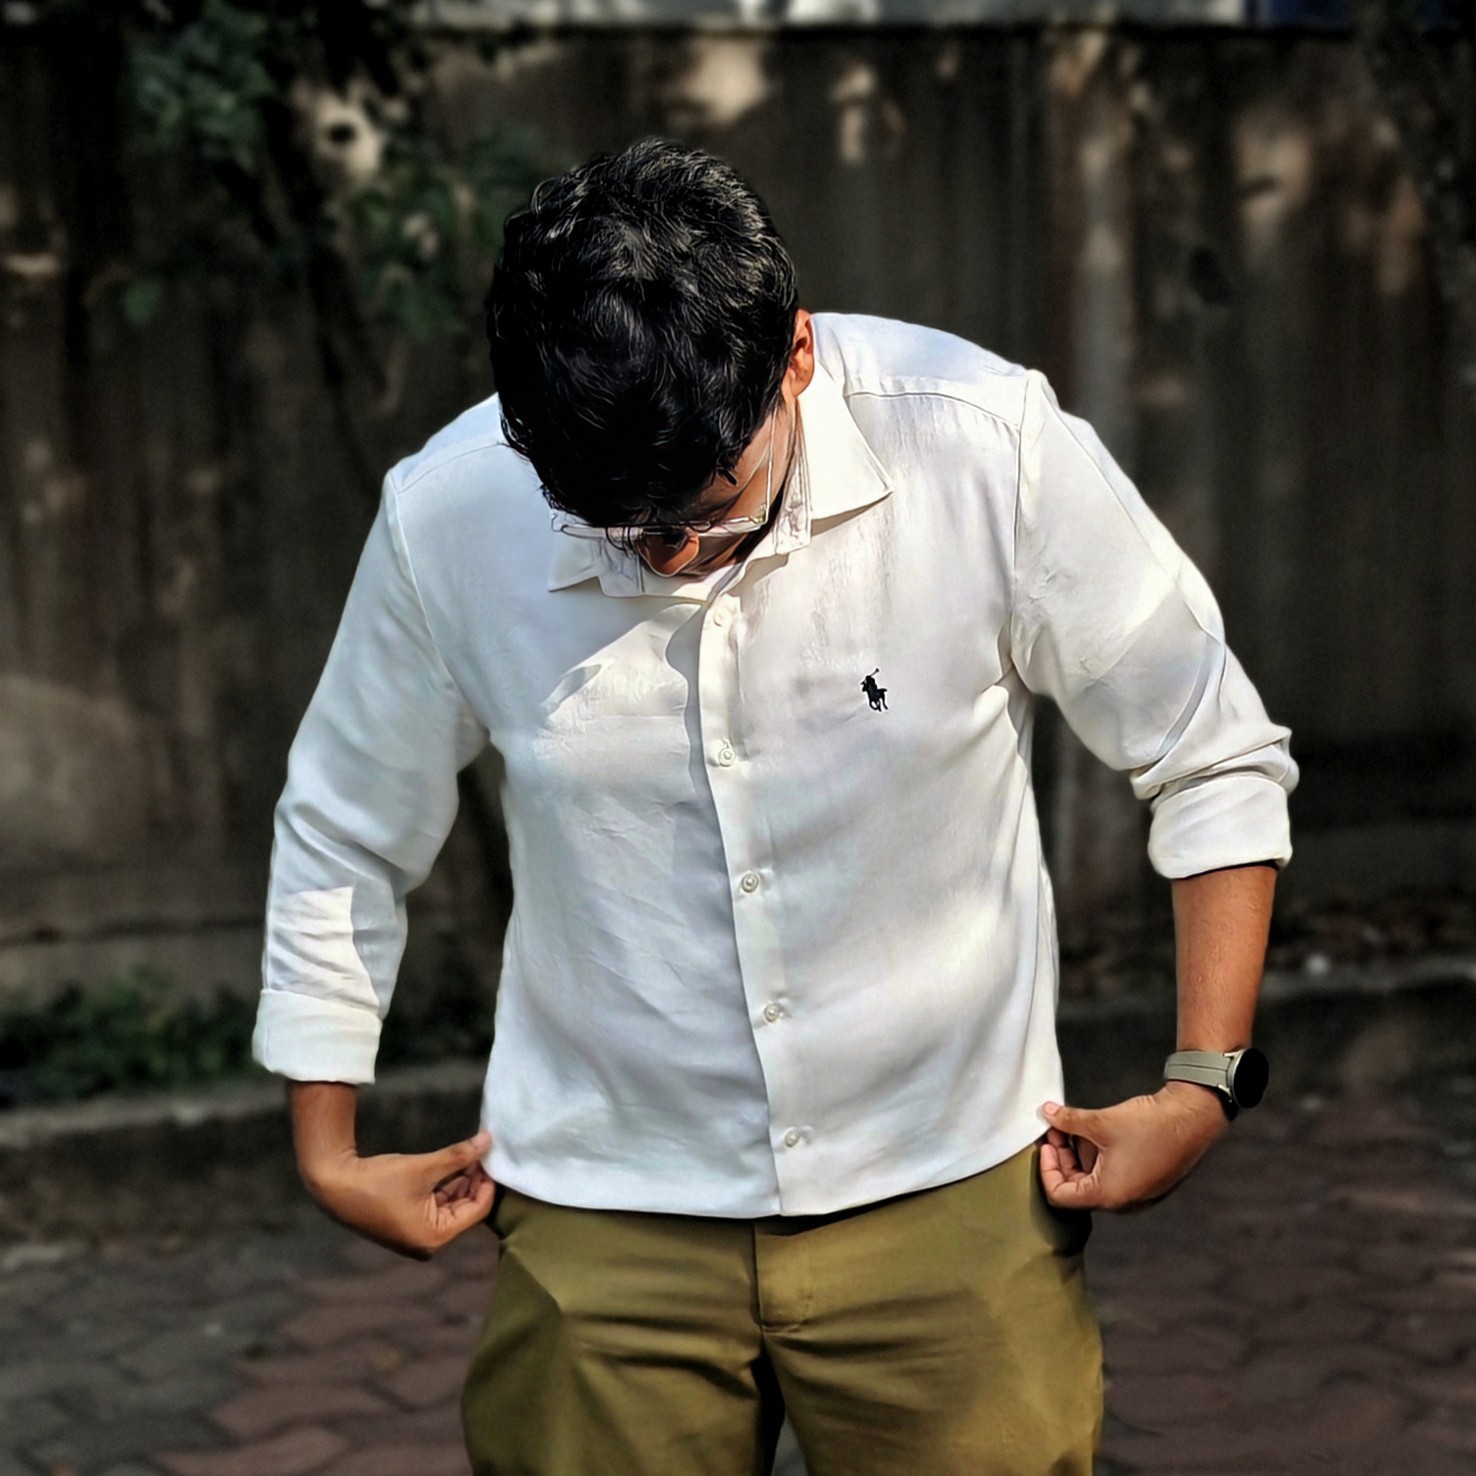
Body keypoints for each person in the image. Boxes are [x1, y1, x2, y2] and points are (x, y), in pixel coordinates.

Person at [253, 137, 1297, 1476]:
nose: (667, 555)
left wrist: (1205, 1081)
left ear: (795, 354)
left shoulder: (985, 447)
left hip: (952, 1188)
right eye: (617, 527)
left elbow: (1210, 749)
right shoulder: (450, 514)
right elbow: (346, 821)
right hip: (605, 1208)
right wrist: (327, 1146)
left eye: (705, 511)